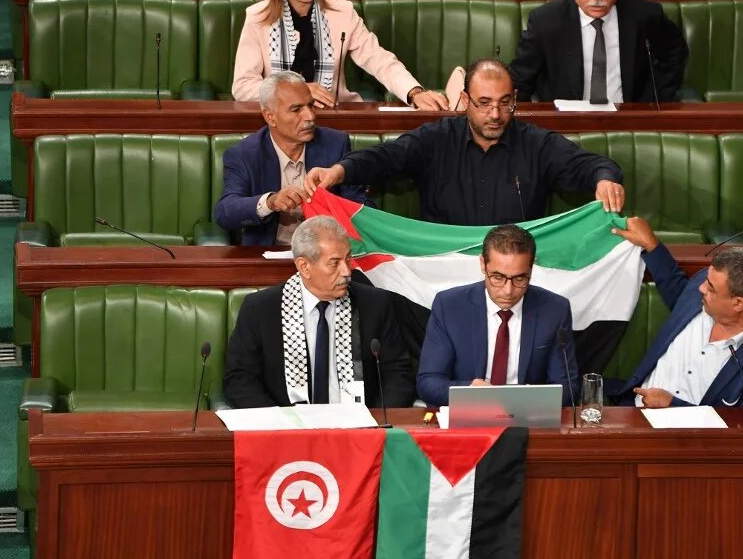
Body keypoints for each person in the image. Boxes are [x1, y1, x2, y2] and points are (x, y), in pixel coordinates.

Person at [304, 58, 626, 225]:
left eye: (504, 103)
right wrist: (339, 171)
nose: (495, 114)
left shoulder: (536, 144)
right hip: (445, 269)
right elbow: (385, 158)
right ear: (464, 100)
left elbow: (592, 165)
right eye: (484, 103)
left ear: (514, 100)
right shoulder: (436, 139)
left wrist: (604, 179)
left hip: (514, 275)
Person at [231, 0, 447, 110]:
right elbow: (242, 86)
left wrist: (414, 92)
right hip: (281, 121)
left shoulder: (343, 13)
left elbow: (378, 59)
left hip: (335, 116)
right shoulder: (257, 17)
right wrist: (298, 91)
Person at [224, 216, 415, 408]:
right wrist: (281, 423)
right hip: (288, 428)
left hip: (360, 426)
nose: (346, 271)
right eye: (334, 263)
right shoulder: (261, 309)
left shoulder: (374, 304)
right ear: (304, 266)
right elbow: (240, 379)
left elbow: (398, 374)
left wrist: (375, 421)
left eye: (347, 259)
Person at [609, 217, 743, 408]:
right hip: (631, 408)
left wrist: (672, 405)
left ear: (738, 303)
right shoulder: (705, 287)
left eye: (710, 288)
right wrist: (651, 245)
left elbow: (740, 432)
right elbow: (680, 294)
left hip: (685, 436)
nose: (700, 287)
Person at [416, 224, 576, 407]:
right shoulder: (449, 306)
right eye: (498, 278)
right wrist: (469, 391)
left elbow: (568, 387)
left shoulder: (555, 310)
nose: (508, 291)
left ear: (531, 269)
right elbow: (428, 383)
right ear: (483, 264)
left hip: (527, 416)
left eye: (520, 279)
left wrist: (531, 397)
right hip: (470, 414)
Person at [509, 0, 688, 104]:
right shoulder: (546, 21)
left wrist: (656, 95)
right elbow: (520, 81)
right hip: (566, 125)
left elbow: (675, 50)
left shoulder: (645, 15)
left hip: (628, 121)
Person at [214, 71, 369, 245]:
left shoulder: (335, 143)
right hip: (268, 257)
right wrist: (271, 202)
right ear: (270, 117)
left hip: (326, 255)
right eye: (296, 110)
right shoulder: (244, 154)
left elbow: (359, 206)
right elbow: (225, 212)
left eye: (310, 106)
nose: (310, 117)